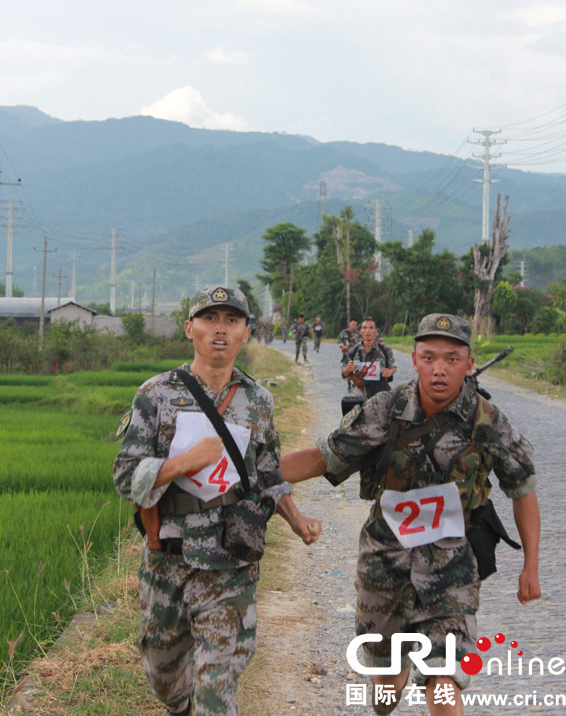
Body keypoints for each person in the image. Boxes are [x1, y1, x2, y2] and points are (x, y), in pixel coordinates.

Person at [280, 313, 540, 716]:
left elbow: (523, 490)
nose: (440, 368)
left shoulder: (488, 422)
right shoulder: (385, 409)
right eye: (430, 357)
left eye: (452, 358)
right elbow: (322, 458)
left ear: (468, 364)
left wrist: (531, 567)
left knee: (443, 676)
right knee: (386, 689)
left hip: (452, 568)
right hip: (384, 564)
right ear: (415, 360)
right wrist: (258, 474)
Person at [113, 286, 321, 716]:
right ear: (190, 328)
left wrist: (296, 519)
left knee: (218, 684)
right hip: (167, 555)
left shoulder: (258, 401)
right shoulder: (156, 394)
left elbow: (268, 473)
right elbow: (125, 476)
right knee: (164, 676)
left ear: (246, 331)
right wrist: (183, 462)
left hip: (231, 557)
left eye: (231, 320)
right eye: (209, 319)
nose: (220, 329)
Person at [342, 316, 397, 398]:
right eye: (364, 328)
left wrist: (390, 372)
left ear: (376, 331)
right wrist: (347, 369)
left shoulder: (385, 349)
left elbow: (393, 367)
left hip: (380, 390)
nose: (367, 331)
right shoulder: (352, 351)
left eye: (371, 328)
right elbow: (344, 373)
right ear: (360, 331)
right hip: (359, 391)